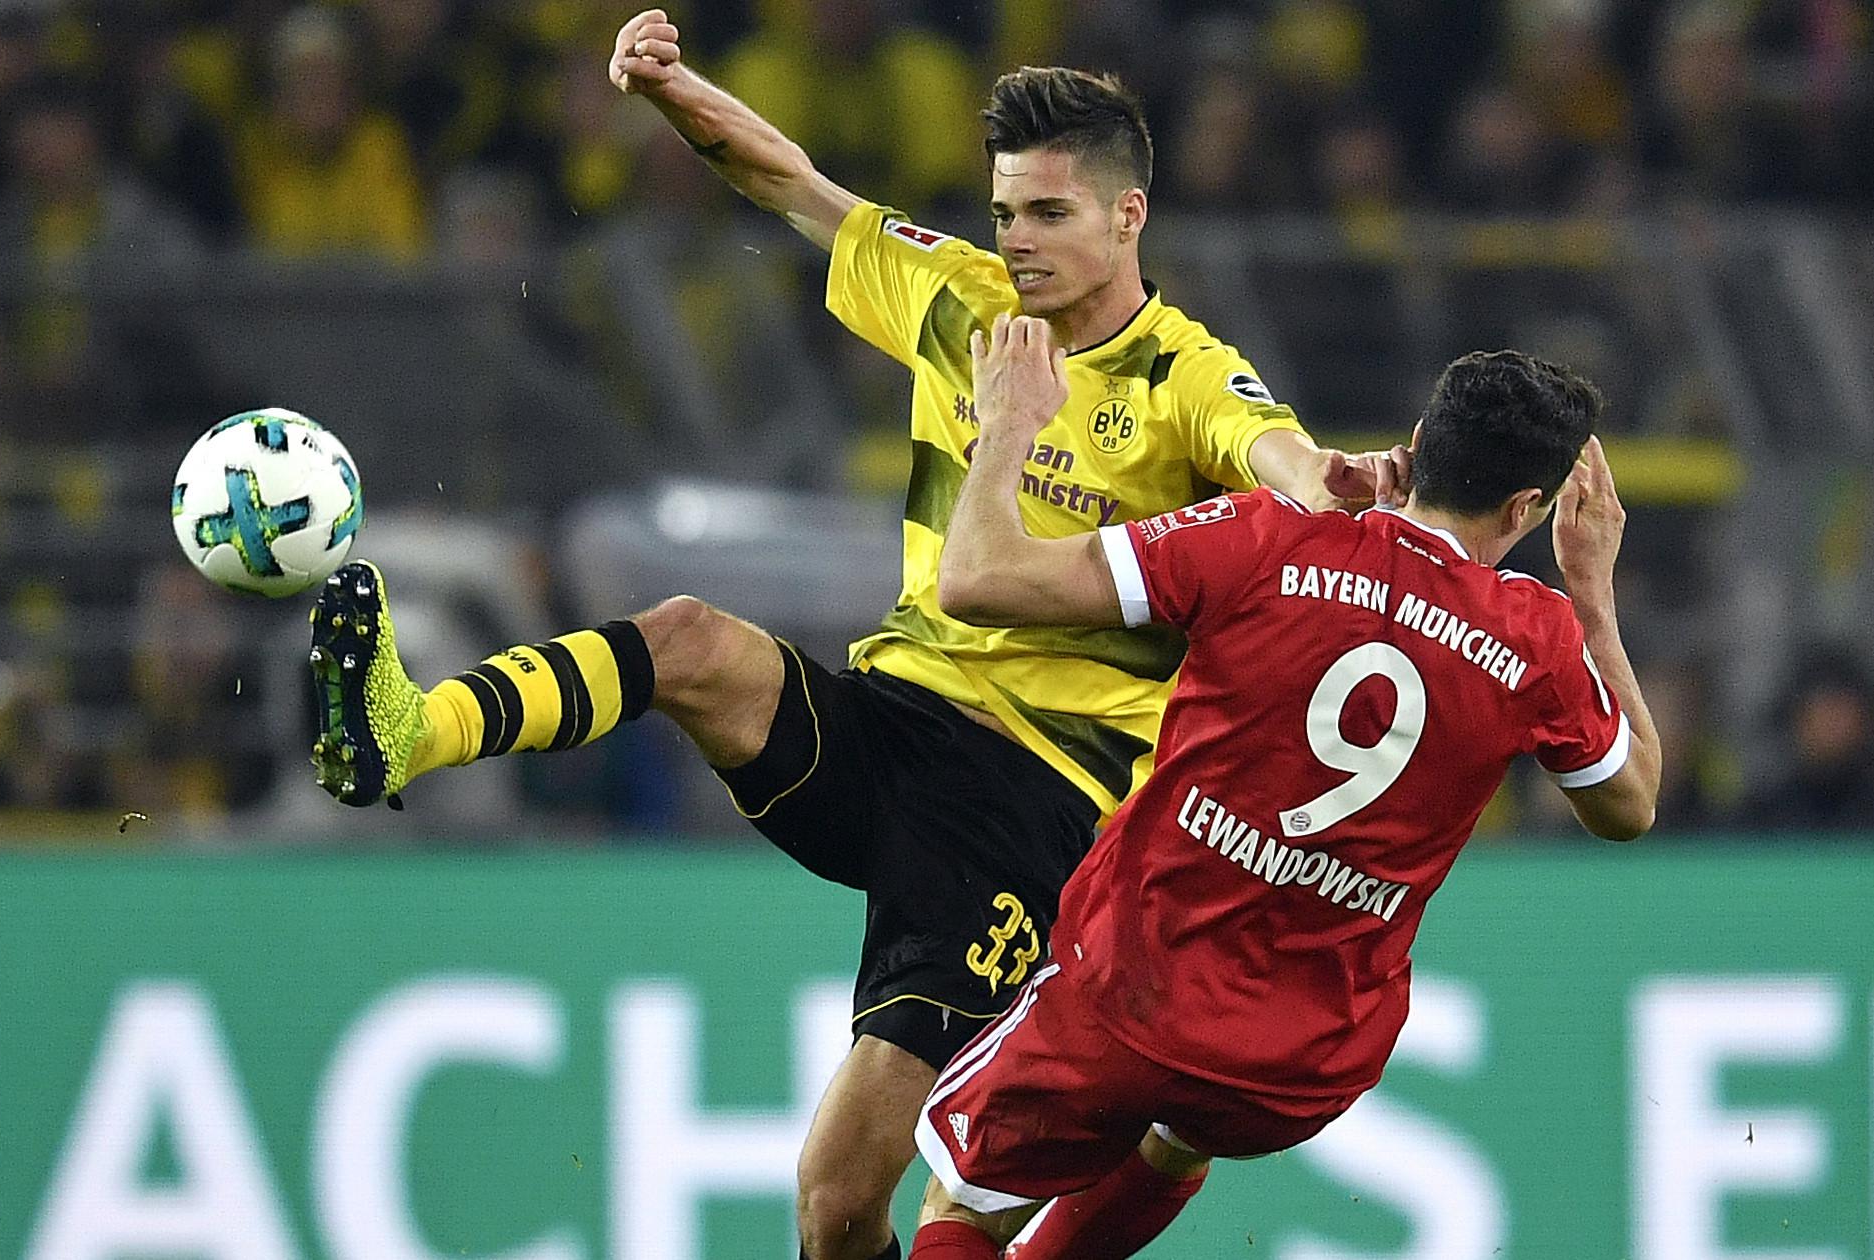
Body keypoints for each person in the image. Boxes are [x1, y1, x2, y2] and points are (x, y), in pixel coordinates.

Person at [306, 12, 1407, 1258]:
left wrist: (1329, 477)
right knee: (687, 640)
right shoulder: (960, 300)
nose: (1019, 240)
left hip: (1033, 807)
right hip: (893, 723)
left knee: (836, 1203)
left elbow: (1278, 455)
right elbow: (791, 183)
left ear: (1127, 217)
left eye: (1050, 214)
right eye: (1006, 212)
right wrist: (669, 87)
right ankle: (408, 733)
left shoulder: (1183, 376)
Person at [902, 321, 1661, 1259]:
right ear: (1525, 508)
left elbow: (977, 580)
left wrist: (1010, 424)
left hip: (1130, 995)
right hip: (1300, 1064)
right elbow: (1632, 804)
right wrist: (1592, 597)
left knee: (960, 1211)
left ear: (1415, 447)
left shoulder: (1264, 539)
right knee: (1179, 1131)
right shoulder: (1535, 639)